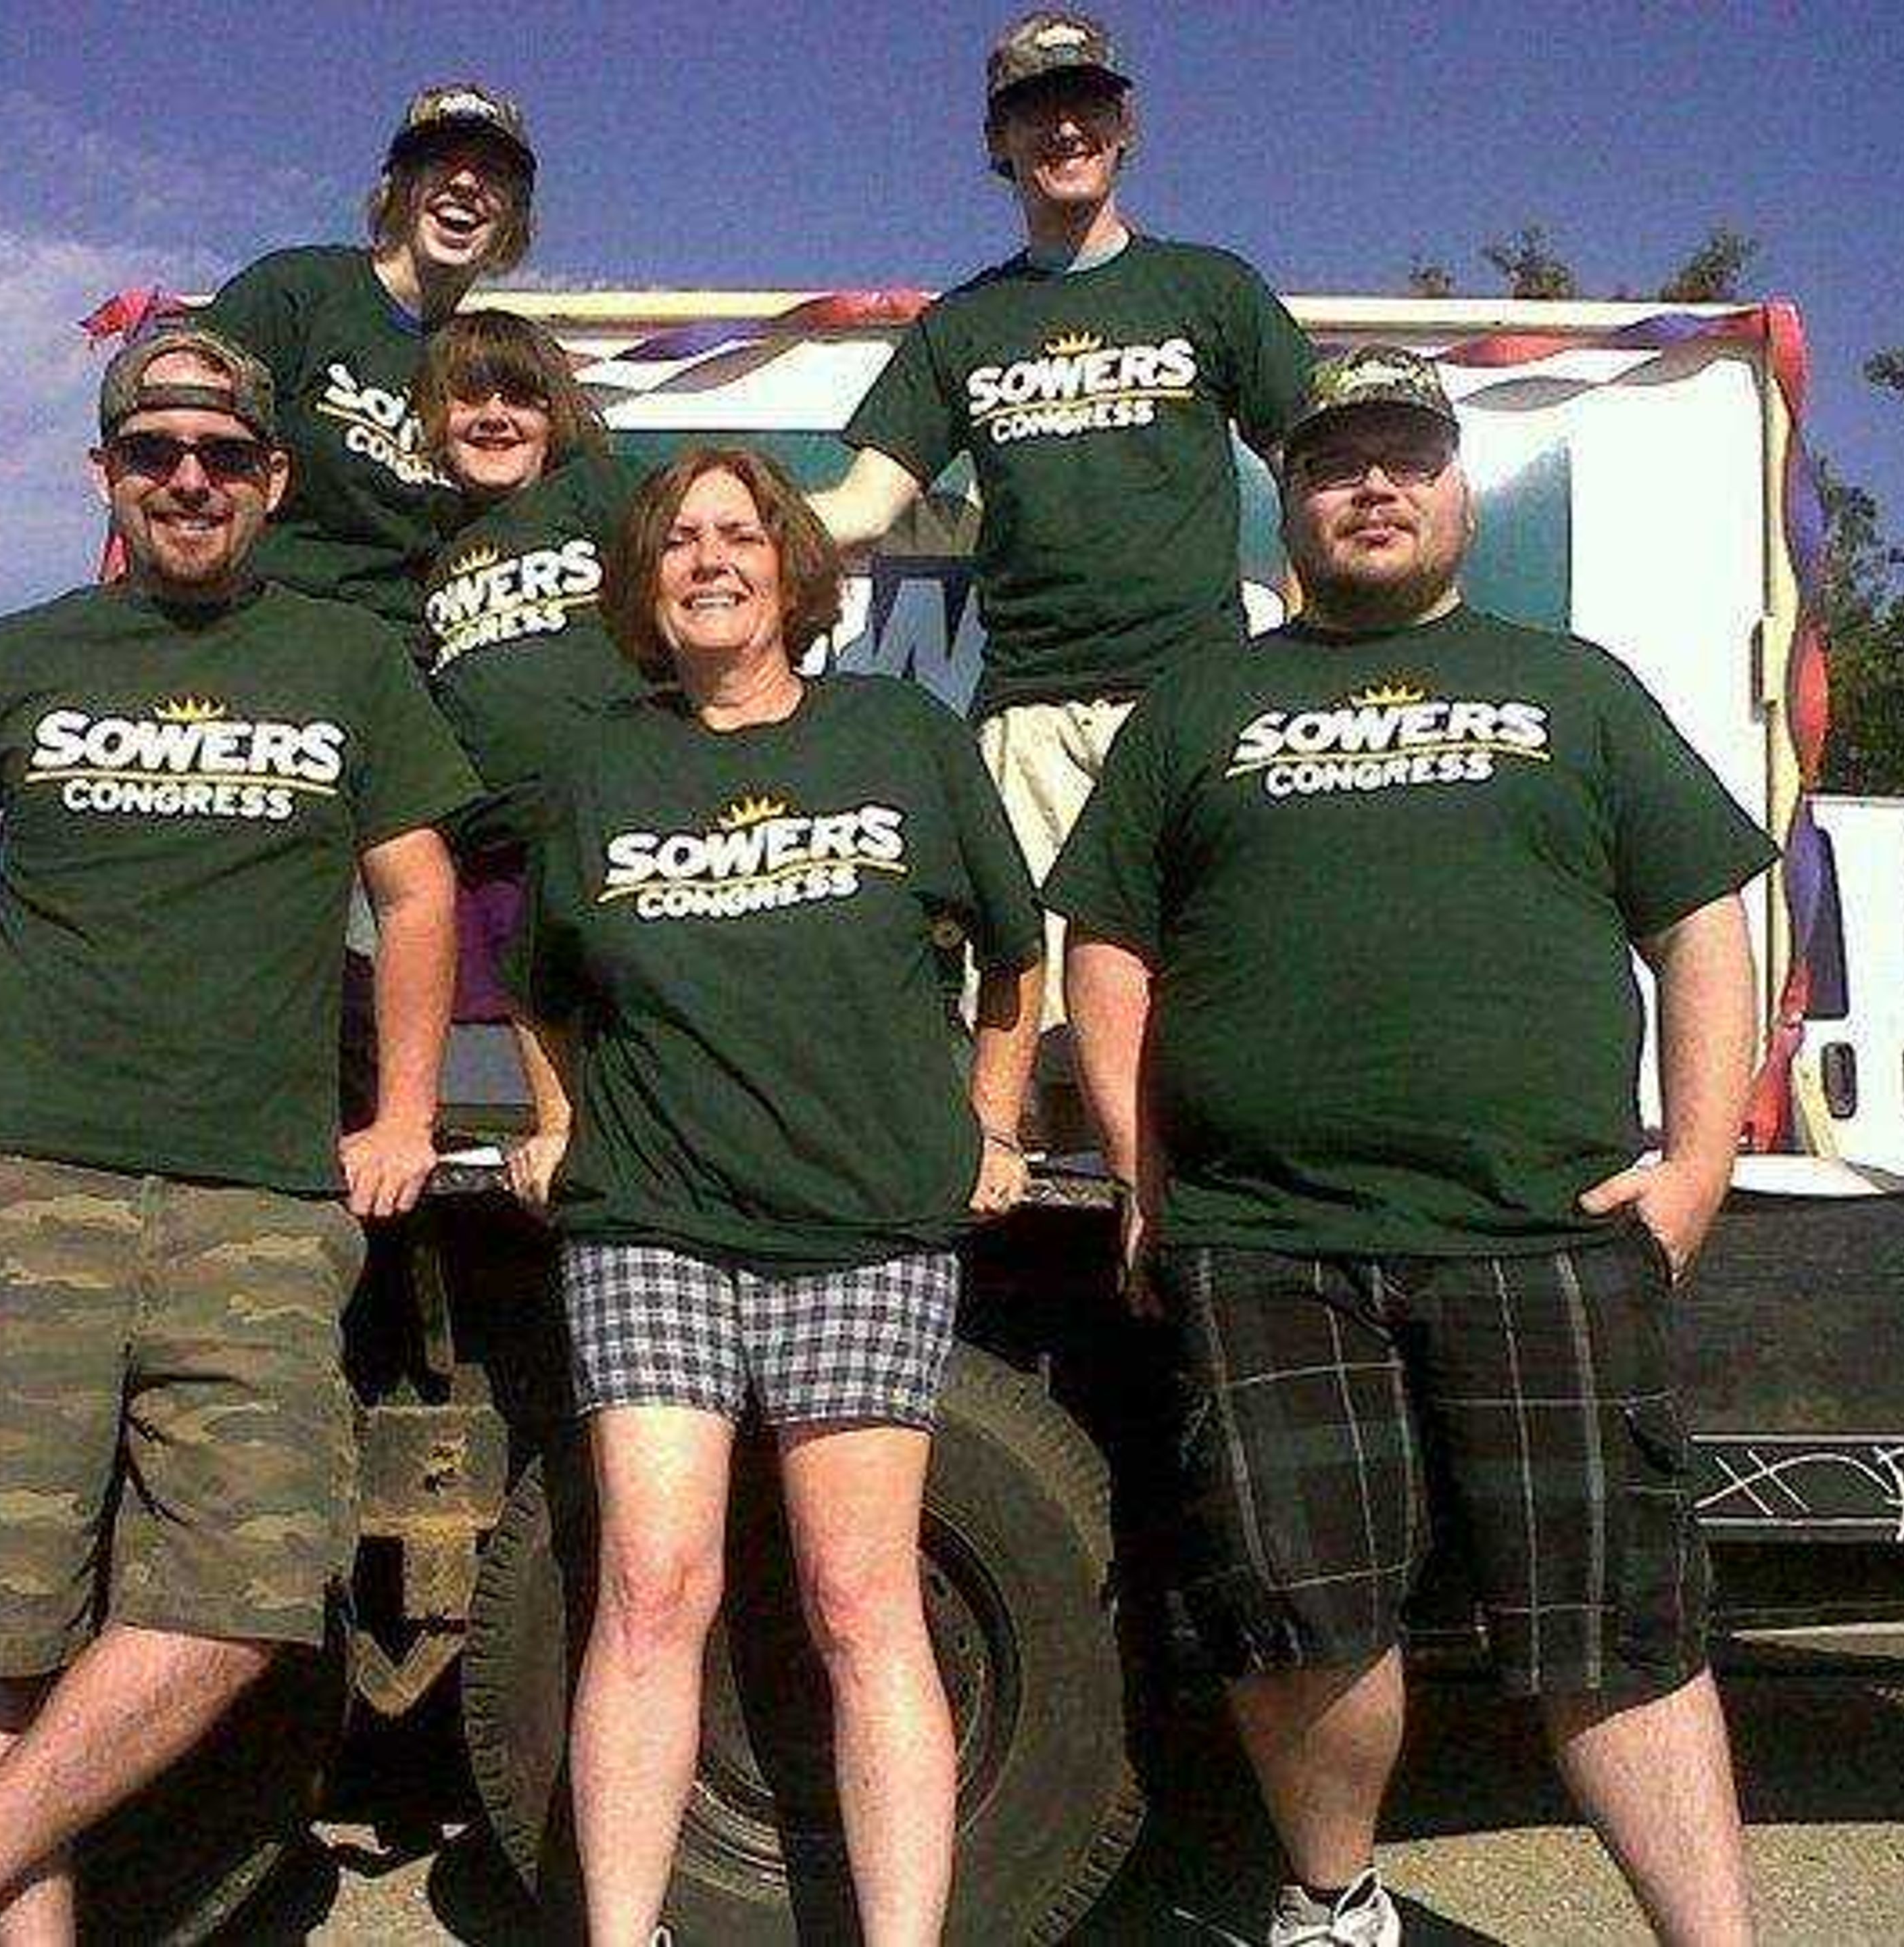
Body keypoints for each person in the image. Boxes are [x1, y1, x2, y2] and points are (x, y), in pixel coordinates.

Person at [1047, 347, 1769, 1947]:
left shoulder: (1571, 685)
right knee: (1298, 1613)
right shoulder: (1201, 703)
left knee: (1615, 1626)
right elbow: (1105, 943)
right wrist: (1136, 1174)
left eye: (1403, 459)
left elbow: (1702, 929)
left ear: (1453, 493)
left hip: (1539, 1233)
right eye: (1332, 464)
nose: (1371, 485)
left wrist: (1695, 1168)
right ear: (1288, 504)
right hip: (1262, 1241)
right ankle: (1333, 1902)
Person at [0, 327, 479, 1946]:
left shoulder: (347, 663)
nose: (187, 479)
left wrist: (408, 1113)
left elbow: (419, 884)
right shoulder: (20, 656)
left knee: (243, 1598)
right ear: (108, 475)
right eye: (153, 451)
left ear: (271, 481)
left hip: (256, 1202)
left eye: (222, 456)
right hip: (22, 1182)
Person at [508, 448, 1044, 1945]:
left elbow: (1015, 951)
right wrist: (555, 1121)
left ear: (793, 571)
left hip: (868, 1231)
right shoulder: (603, 764)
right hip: (654, 1229)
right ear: (644, 582)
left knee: (862, 1601)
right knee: (652, 1589)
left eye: (739, 535)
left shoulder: (903, 738)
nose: (709, 560)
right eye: (677, 541)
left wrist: (994, 1126)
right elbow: (543, 984)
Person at [811, 9, 1315, 1038]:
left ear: (1124, 125)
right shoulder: (963, 324)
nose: (1064, 131)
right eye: (1034, 112)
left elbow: (1313, 472)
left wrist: (1313, 661)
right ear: (999, 143)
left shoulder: (1210, 289)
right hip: (1030, 712)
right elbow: (864, 505)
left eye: (1084, 104)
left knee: (1213, 996)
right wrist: (688, 522)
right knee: (1033, 1012)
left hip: (1194, 696)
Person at [195, 80, 537, 627]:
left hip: (414, 655)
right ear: (399, 185)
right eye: (441, 160)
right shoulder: (296, 293)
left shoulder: (489, 363)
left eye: (493, 172)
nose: (466, 183)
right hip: (270, 625)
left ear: (514, 215)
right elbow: (182, 444)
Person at [413, 310, 655, 1038]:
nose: (494, 416)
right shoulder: (426, 548)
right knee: (527, 1030)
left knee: (641, 1022)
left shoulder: (600, 489)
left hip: (619, 822)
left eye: (519, 398)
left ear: (558, 415)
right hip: (492, 841)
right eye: (468, 398)